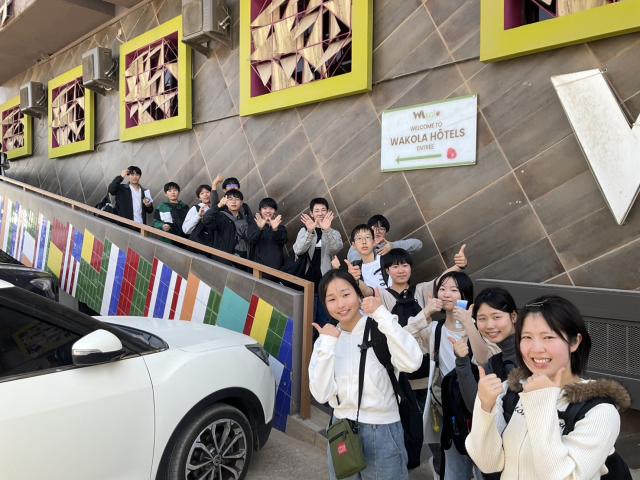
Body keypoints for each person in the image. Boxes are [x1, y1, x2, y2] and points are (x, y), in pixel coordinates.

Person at [466, 295, 631, 480]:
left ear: (575, 342)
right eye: (527, 337)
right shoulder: (509, 392)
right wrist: (485, 407)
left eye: (548, 337)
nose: (536, 348)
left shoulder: (599, 411)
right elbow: (488, 464)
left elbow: (564, 477)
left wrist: (541, 400)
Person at [308, 270, 423, 480]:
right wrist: (326, 345)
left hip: (382, 430)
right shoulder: (327, 340)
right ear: (325, 304)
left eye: (346, 294)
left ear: (358, 294)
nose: (341, 304)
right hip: (341, 428)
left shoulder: (380, 327)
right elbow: (321, 394)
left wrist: (381, 314)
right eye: (331, 299)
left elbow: (412, 362)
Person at [422, 271, 491, 480]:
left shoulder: (481, 328)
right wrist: (425, 313)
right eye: (442, 289)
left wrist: (469, 324)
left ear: (465, 296)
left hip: (481, 409)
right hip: (450, 410)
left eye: (454, 290)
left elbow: (484, 359)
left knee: (485, 469)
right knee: (454, 470)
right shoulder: (435, 329)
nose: (446, 294)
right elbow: (404, 337)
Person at [453, 287, 519, 413]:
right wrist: (462, 362)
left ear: (513, 316)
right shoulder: (495, 362)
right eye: (482, 318)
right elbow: (476, 406)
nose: (489, 325)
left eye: (496, 317)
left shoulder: (531, 353)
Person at [293, 197, 343, 327]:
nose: (320, 213)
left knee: (324, 321)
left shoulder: (334, 232)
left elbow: (336, 248)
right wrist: (310, 232)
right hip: (305, 283)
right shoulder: (304, 230)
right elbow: (298, 250)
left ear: (328, 212)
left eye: (323, 210)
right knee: (305, 322)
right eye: (316, 210)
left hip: (325, 284)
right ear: (311, 213)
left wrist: (327, 230)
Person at [202, 189, 252, 262]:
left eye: (237, 199)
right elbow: (206, 220)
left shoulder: (246, 219)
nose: (233, 202)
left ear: (241, 202)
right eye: (230, 199)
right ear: (226, 202)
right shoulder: (220, 216)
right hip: (224, 260)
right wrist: (218, 206)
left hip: (243, 260)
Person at [347, 214, 423, 262]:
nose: (377, 231)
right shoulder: (359, 244)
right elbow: (355, 263)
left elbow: (418, 244)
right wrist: (372, 247)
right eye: (374, 228)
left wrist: (392, 246)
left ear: (386, 232)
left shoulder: (388, 246)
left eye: (382, 229)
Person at [248, 197, 287, 270]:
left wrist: (275, 229)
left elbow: (283, 241)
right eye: (265, 208)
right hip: (258, 267)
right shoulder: (253, 226)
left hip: (277, 267)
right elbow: (251, 241)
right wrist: (259, 229)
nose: (268, 211)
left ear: (275, 211)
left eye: (271, 208)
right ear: (260, 210)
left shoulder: (281, 228)